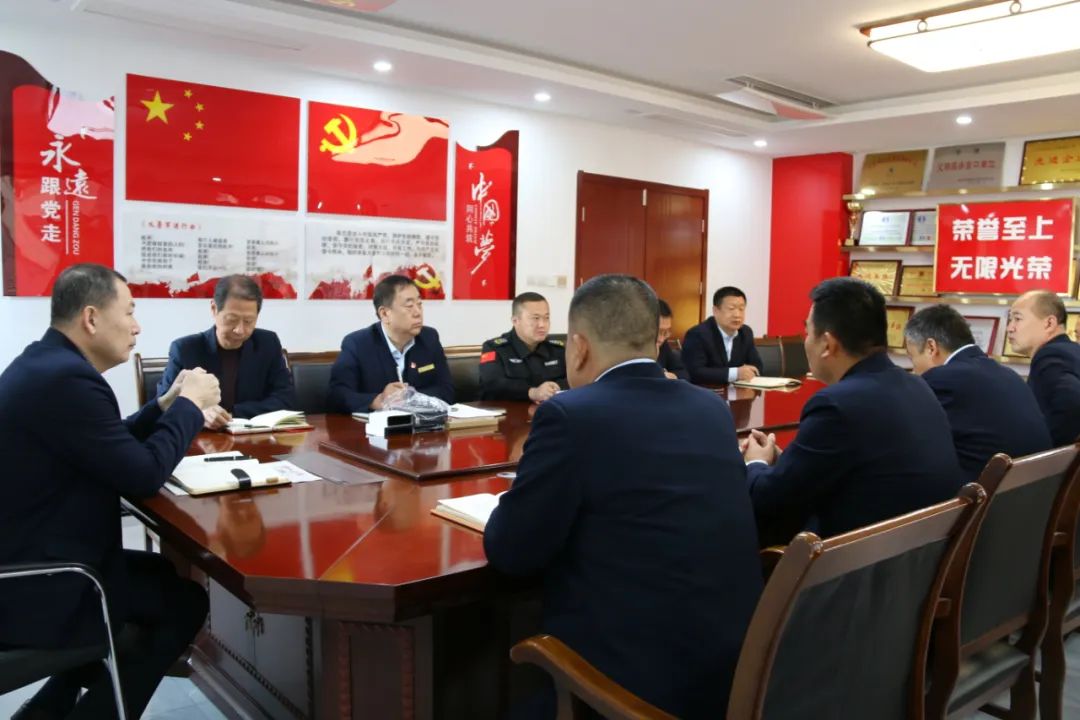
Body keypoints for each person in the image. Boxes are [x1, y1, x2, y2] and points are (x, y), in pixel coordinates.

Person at [484, 275, 763, 719]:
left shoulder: (570, 416)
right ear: (655, 341)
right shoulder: (710, 408)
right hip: (734, 674)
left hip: (625, 689)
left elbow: (511, 550)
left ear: (578, 347)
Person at [0, 264, 220, 720]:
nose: (137, 326)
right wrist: (190, 405)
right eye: (130, 311)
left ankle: (48, 710)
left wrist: (161, 406)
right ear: (91, 318)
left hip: (28, 556)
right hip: (39, 583)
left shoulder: (46, 364)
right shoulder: (68, 380)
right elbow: (142, 474)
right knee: (185, 603)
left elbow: (107, 444)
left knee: (161, 571)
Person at [743, 278, 961, 545]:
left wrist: (755, 463)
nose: (805, 341)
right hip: (917, 553)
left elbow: (771, 499)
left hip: (857, 559)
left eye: (807, 332)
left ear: (827, 344)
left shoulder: (836, 405)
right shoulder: (918, 386)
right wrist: (787, 461)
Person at [905, 304, 1051, 483]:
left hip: (982, 493)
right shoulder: (1007, 374)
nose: (914, 369)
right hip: (1031, 487)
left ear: (931, 347)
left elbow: (914, 442)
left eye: (912, 357)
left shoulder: (941, 379)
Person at [157, 274, 294, 429]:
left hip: (255, 437)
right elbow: (164, 405)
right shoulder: (185, 349)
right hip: (200, 439)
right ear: (214, 309)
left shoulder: (267, 343)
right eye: (231, 319)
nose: (240, 330)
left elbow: (286, 399)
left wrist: (231, 413)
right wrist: (201, 414)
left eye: (248, 321)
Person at [328, 274, 453, 413]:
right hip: (373, 425)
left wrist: (410, 398)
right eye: (409, 306)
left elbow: (446, 390)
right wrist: (378, 400)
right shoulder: (358, 344)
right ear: (385, 314)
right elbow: (338, 395)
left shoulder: (429, 338)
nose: (418, 312)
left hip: (423, 423)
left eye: (419, 304)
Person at [1008, 290, 1080, 446]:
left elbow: (1071, 405)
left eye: (1017, 319)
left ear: (1049, 323)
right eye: (1010, 319)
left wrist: (1049, 454)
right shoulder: (1071, 350)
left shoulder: (1051, 355)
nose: (1010, 328)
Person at [479, 292, 568, 402]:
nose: (542, 324)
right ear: (515, 321)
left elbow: (576, 379)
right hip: (506, 410)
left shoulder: (557, 349)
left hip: (548, 409)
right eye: (535, 318)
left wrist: (556, 386)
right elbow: (492, 384)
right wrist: (532, 392)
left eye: (546, 318)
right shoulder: (494, 348)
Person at [681, 286, 763, 385]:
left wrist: (750, 372)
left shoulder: (745, 332)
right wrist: (735, 373)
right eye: (731, 309)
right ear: (716, 311)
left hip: (737, 391)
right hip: (705, 391)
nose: (737, 315)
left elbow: (757, 366)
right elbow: (695, 372)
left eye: (741, 309)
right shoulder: (698, 334)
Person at [656, 298, 688, 380]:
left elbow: (683, 373)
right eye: (659, 332)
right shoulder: (629, 348)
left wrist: (673, 376)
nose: (661, 339)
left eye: (666, 332)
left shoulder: (663, 345)